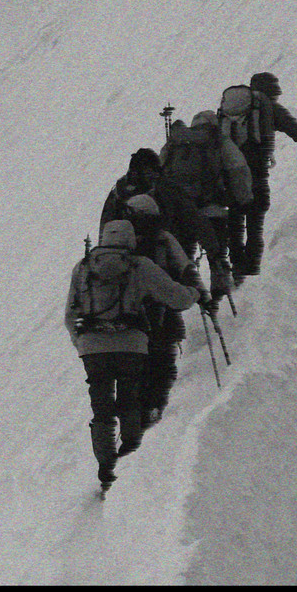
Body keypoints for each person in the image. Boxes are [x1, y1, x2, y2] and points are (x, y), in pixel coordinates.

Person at [65, 219, 200, 493]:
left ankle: (106, 470)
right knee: (129, 399)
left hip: (92, 347)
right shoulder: (139, 266)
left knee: (101, 408)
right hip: (131, 344)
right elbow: (176, 297)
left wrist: (81, 343)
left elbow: (70, 314)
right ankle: (129, 456)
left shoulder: (83, 267)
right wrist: (194, 292)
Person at [122, 193, 212, 430]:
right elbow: (185, 268)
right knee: (161, 360)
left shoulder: (119, 244)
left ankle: (137, 412)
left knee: (137, 363)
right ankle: (154, 408)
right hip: (163, 310)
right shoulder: (163, 240)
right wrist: (200, 294)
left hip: (128, 315)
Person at [99, 148, 231, 296]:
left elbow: (106, 228)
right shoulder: (166, 187)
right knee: (166, 294)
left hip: (129, 257)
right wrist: (214, 253)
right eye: (151, 172)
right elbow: (195, 219)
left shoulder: (118, 193)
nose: (154, 176)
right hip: (163, 253)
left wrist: (103, 256)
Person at [160, 110, 252, 308]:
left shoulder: (176, 142)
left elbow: (161, 172)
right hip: (211, 209)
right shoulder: (217, 139)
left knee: (182, 257)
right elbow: (238, 168)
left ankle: (183, 301)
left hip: (180, 211)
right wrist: (243, 198)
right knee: (216, 253)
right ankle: (220, 297)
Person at [227, 72, 297, 283]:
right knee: (255, 222)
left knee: (236, 219)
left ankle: (237, 267)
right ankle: (252, 267)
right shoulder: (268, 107)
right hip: (256, 172)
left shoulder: (233, 107)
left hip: (231, 173)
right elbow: (293, 128)